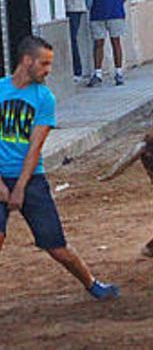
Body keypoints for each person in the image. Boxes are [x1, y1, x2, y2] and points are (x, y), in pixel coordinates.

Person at [0, 36, 120, 299]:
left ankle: (92, 283)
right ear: (27, 61)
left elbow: (35, 148)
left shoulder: (44, 98)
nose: (48, 70)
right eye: (44, 64)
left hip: (30, 179)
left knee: (56, 247)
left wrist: (19, 187)